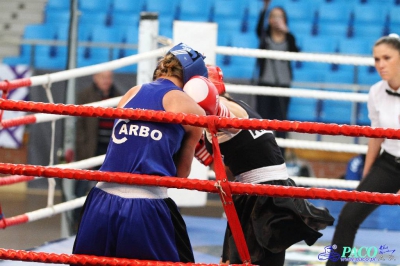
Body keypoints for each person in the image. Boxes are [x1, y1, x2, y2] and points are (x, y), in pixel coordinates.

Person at [184, 66, 335, 266]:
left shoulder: (224, 111)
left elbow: (227, 163)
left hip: (263, 196)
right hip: (261, 191)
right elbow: (228, 168)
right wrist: (201, 148)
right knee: (239, 259)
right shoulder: (237, 106)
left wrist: (192, 139)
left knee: (253, 260)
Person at [72, 42, 207, 263]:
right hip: (144, 206)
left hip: (100, 199)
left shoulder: (131, 93)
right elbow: (181, 176)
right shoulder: (194, 111)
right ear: (195, 81)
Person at [326, 34, 400, 266]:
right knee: (349, 215)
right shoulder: (376, 91)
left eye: (387, 58)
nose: (380, 64)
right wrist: (367, 179)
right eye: (377, 59)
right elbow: (376, 137)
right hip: (389, 162)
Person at [63, 70, 123, 235]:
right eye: (103, 77)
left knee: (112, 187)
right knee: (81, 187)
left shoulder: (119, 96)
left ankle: (110, 225)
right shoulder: (85, 95)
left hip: (111, 149)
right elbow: (79, 125)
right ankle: (76, 223)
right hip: (90, 149)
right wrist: (82, 145)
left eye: (109, 77)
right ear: (95, 78)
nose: (106, 81)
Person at [255, 3, 299, 157]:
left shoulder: (289, 38)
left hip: (283, 85)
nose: (275, 19)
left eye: (279, 16)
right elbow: (258, 29)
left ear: (285, 20)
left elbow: (296, 52)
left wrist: (286, 31)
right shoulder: (265, 36)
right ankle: (261, 154)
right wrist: (264, 9)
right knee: (262, 119)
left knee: (281, 122)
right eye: (273, 16)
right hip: (265, 83)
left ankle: (280, 156)